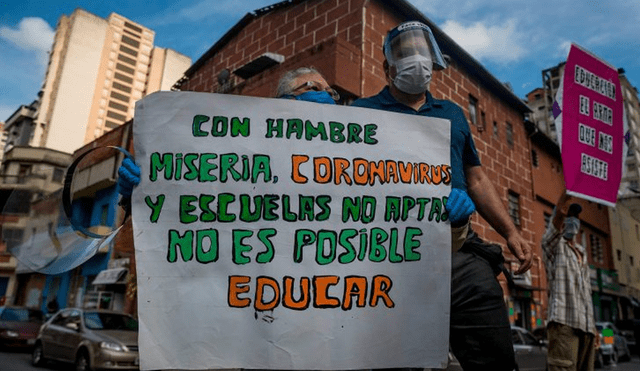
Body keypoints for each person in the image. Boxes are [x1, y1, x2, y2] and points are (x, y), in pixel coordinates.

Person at [351, 21, 533, 371]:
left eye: (422, 51)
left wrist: (511, 232)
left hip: (457, 248)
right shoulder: (362, 113)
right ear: (387, 65)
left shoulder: (452, 113)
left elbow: (476, 178)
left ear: (433, 60)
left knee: (491, 345)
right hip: (390, 254)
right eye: (405, 53)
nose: (415, 60)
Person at [117, 66, 340, 195]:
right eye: (313, 88)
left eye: (331, 92)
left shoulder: (354, 158)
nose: (326, 96)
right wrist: (146, 188)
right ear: (283, 102)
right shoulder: (247, 152)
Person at [541, 190, 598, 371]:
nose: (572, 220)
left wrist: (594, 328)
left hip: (587, 327)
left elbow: (586, 294)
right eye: (569, 215)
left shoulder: (582, 252)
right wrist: (566, 194)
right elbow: (557, 220)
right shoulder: (555, 246)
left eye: (576, 217)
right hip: (564, 324)